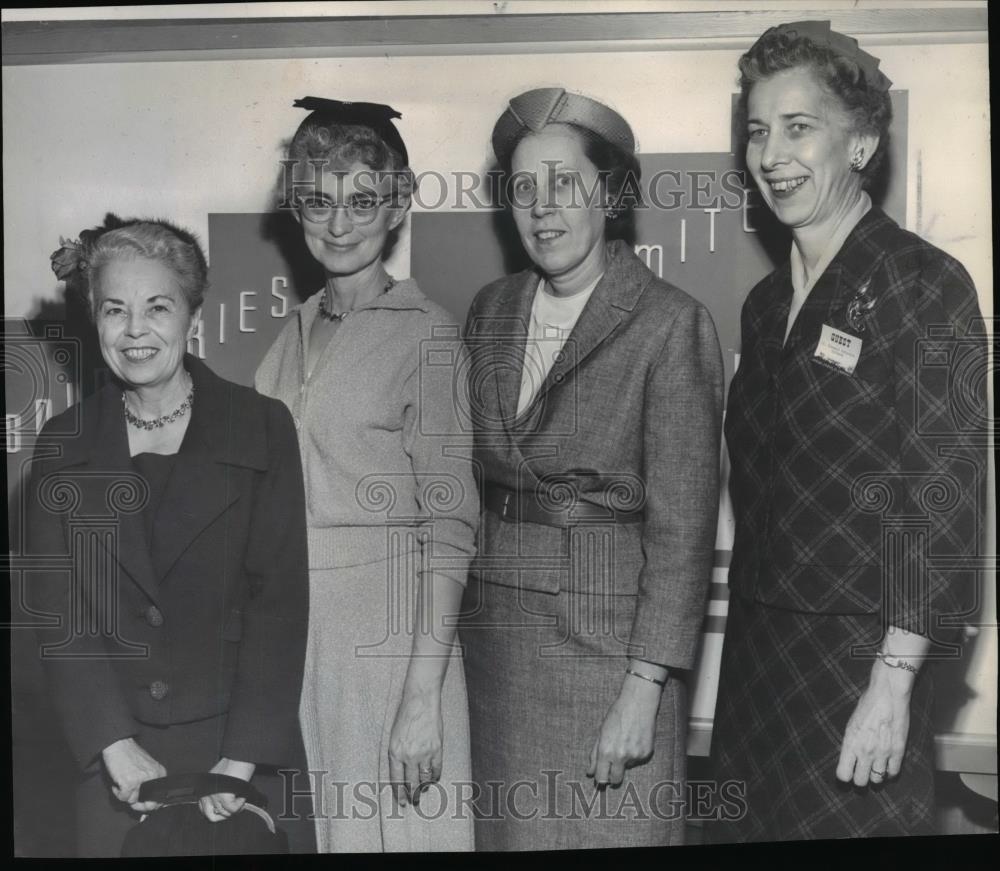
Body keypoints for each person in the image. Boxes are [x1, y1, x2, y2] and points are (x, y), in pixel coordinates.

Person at [710, 21, 988, 841]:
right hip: (756, 670)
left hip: (859, 669)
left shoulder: (926, 283)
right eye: (758, 131)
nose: (771, 154)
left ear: (861, 141)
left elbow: (938, 495)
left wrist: (894, 682)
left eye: (800, 128)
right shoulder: (764, 311)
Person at [461, 87, 725, 849]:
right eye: (523, 189)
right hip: (497, 648)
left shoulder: (671, 322)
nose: (543, 209)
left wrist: (646, 686)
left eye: (565, 184)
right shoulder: (491, 308)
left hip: (610, 652)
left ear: (610, 193)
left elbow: (683, 529)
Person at [31, 216, 311, 857]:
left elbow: (279, 604)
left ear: (191, 315)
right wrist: (111, 744)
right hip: (116, 763)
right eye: (114, 310)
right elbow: (58, 611)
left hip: (236, 755)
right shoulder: (62, 443)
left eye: (157, 307)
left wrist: (239, 761)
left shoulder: (262, 425)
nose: (135, 331)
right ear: (93, 321)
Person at [255, 97, 479, 852]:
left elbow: (450, 527)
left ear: (396, 208)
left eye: (362, 201)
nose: (339, 223)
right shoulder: (287, 338)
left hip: (392, 646)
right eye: (319, 201)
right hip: (302, 645)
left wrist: (422, 697)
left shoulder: (429, 334)